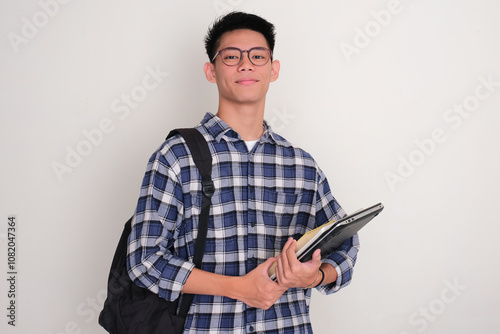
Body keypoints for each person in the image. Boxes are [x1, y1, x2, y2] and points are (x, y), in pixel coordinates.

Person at [127, 11, 359, 333]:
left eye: (258, 56)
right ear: (211, 70)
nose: (245, 65)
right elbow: (144, 261)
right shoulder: (176, 156)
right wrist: (238, 288)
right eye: (232, 56)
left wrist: (316, 276)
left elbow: (346, 243)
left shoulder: (301, 165)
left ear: (273, 69)